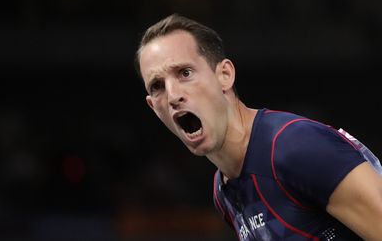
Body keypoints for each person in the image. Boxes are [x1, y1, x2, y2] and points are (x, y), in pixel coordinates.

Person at [134, 13, 382, 240]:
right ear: (152, 107)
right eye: (157, 86)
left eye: (185, 73)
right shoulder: (223, 192)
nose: (173, 95)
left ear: (225, 75)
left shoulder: (295, 146)